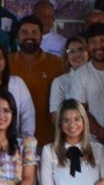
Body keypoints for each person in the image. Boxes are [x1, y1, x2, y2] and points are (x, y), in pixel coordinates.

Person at [9, 15, 64, 144]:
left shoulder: (56, 63)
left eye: (34, 32)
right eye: (24, 32)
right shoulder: (6, 62)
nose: (29, 36)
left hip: (48, 138)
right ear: (17, 36)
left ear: (41, 36)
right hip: (13, 139)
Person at [71, 22, 104, 140]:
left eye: (102, 41)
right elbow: (80, 108)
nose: (98, 46)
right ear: (87, 46)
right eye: (93, 42)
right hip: (94, 139)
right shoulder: (81, 73)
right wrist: (99, 131)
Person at [49, 35, 89, 124]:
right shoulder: (59, 82)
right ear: (66, 56)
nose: (77, 54)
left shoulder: (97, 76)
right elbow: (55, 117)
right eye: (71, 51)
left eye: (81, 49)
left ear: (88, 52)